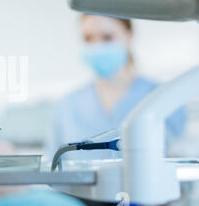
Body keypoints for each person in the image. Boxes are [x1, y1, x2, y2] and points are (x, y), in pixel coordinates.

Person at [47, 15, 186, 161]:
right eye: (88, 38)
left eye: (107, 37)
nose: (97, 46)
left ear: (129, 36)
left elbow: (181, 165)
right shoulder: (67, 106)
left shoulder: (165, 98)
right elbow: (51, 173)